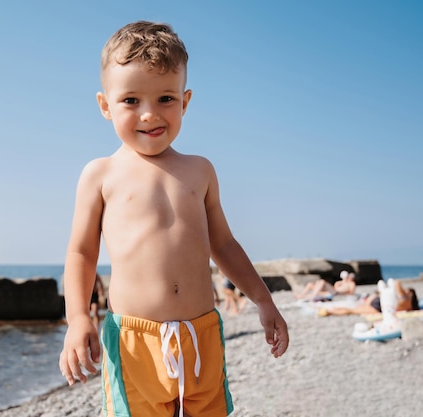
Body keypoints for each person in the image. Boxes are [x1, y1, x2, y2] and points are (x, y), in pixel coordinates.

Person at [58, 21, 289, 417]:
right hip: (134, 340)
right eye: (131, 100)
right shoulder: (100, 175)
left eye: (165, 98)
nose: (149, 114)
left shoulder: (201, 171)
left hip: (201, 334)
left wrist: (263, 300)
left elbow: (225, 245)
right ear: (105, 105)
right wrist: (78, 318)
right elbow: (81, 252)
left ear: (185, 101)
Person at [320, 279, 419, 316]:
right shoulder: (404, 302)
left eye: (407, 291)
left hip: (378, 305)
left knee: (352, 310)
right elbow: (397, 284)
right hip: (378, 305)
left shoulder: (405, 300)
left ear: (411, 294)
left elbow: (397, 283)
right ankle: (330, 311)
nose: (404, 291)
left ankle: (331, 311)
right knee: (352, 310)